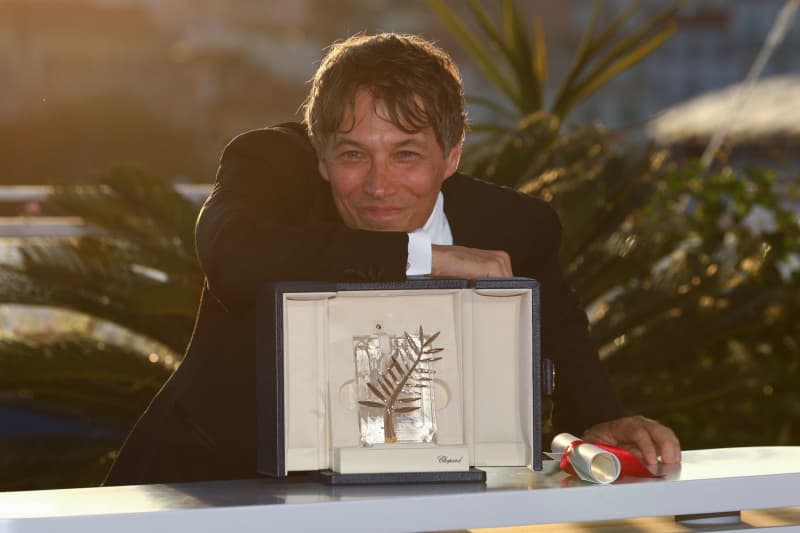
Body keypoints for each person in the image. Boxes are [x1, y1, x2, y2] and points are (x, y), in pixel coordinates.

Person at [105, 33, 679, 485]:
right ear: (321, 155)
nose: (379, 185)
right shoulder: (271, 165)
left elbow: (567, 360)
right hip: (208, 489)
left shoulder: (516, 227)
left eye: (406, 155)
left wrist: (606, 421)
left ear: (452, 155)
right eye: (353, 154)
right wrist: (425, 257)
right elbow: (234, 258)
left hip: (414, 503)